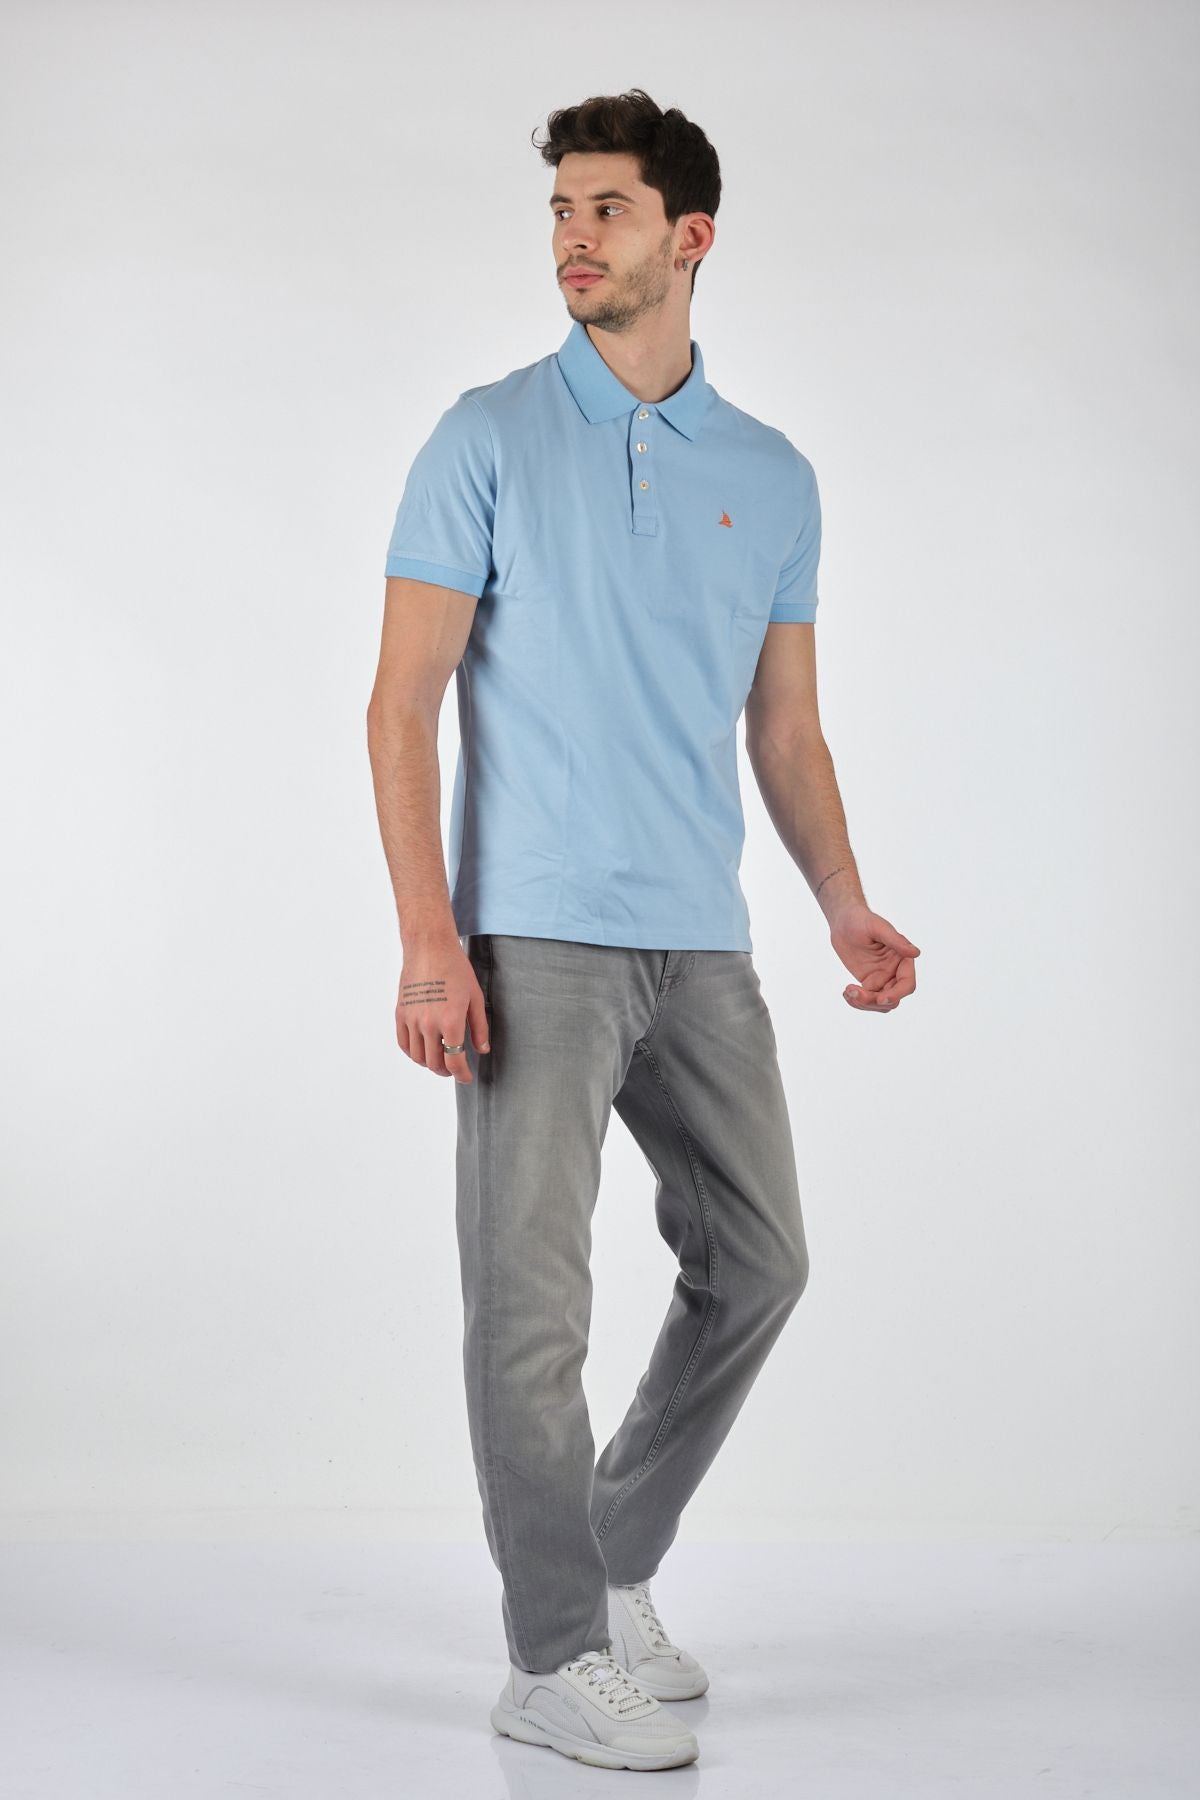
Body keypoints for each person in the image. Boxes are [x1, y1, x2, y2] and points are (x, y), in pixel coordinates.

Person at [366, 87, 920, 1774]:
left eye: (604, 209)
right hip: (529, 940)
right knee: (530, 1314)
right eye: (559, 210)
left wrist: (844, 902)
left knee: (761, 1261)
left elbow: (785, 729)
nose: (572, 238)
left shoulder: (773, 475)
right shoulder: (483, 435)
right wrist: (429, 941)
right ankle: (551, 1657)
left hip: (704, 943)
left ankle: (605, 1565)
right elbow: (401, 706)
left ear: (690, 236)